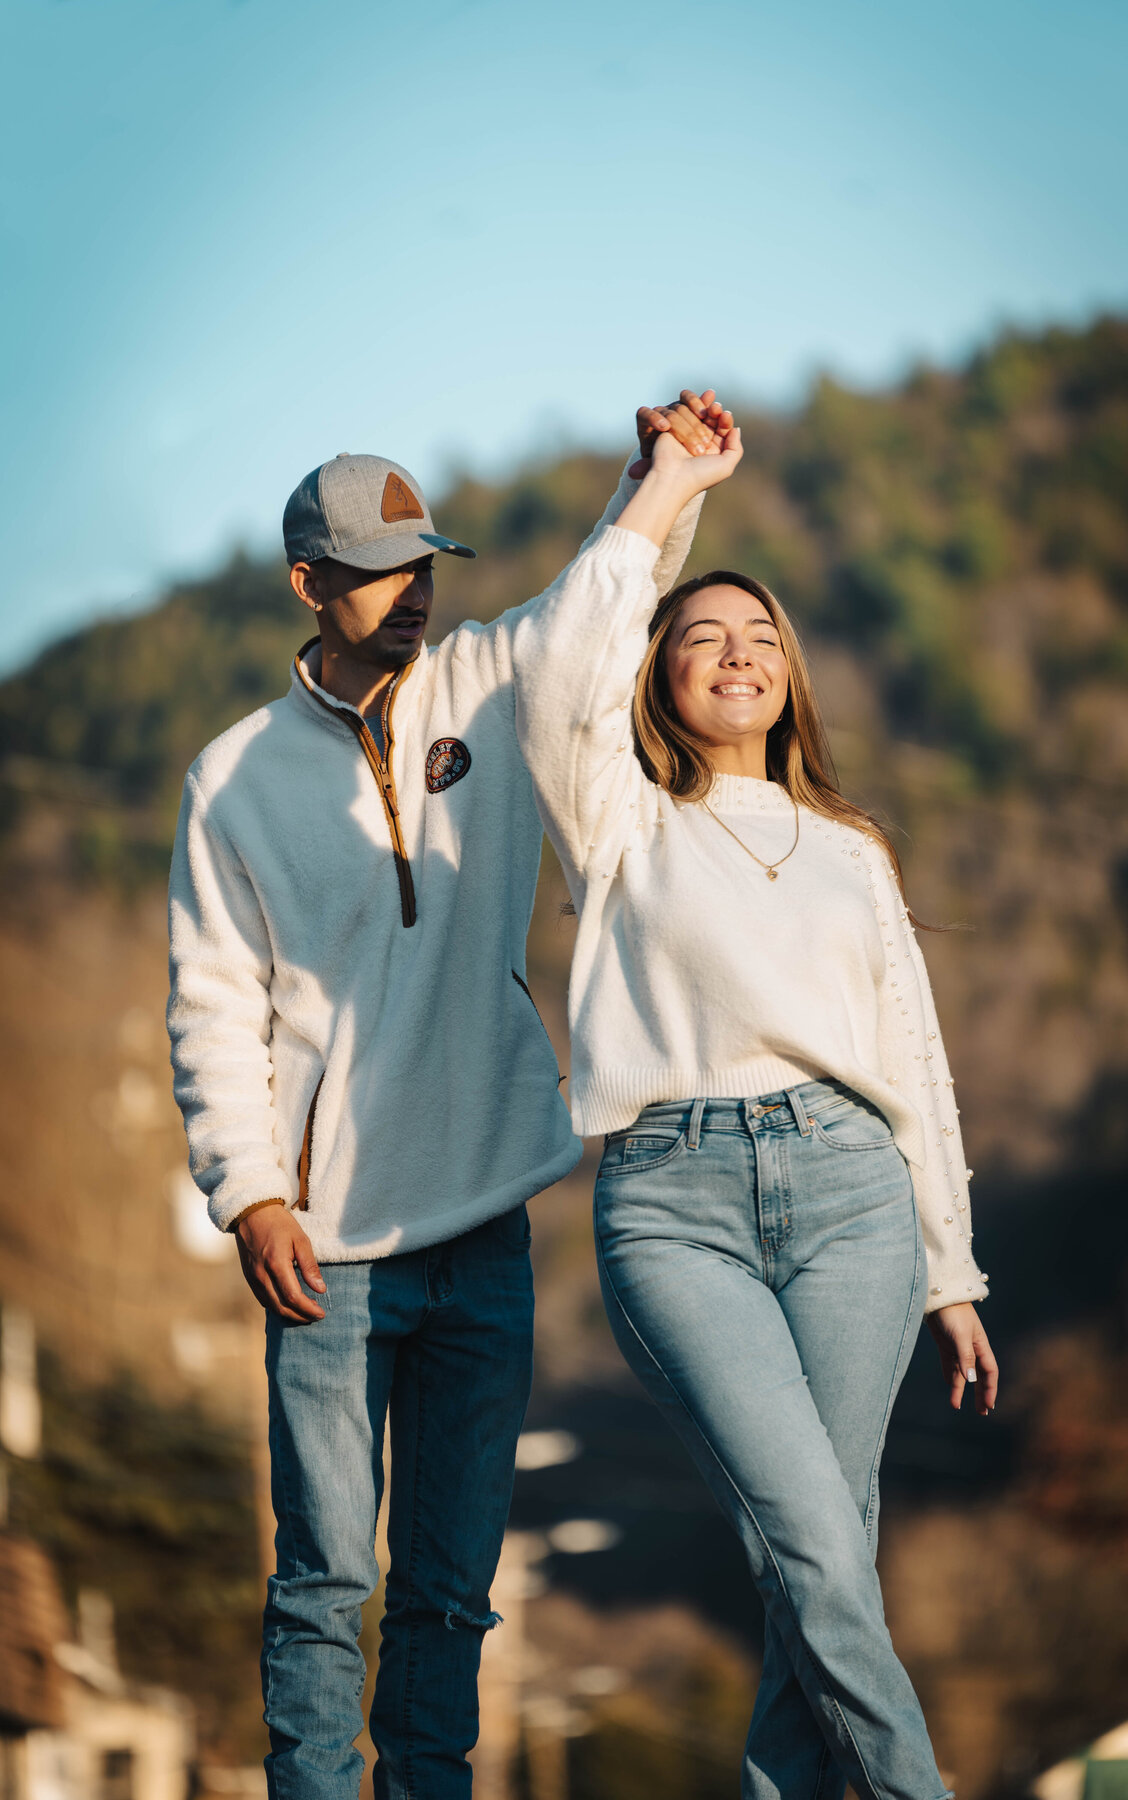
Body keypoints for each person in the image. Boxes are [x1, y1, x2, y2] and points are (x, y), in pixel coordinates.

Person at [164, 393, 729, 1800]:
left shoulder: (489, 679)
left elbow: (603, 609)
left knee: (450, 1590)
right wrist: (250, 1197)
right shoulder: (229, 780)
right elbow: (214, 1004)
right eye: (378, 572)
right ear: (310, 585)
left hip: (484, 1227)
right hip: (331, 1250)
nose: (413, 594)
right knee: (323, 1580)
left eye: (425, 565)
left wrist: (664, 481)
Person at [512, 416, 999, 1800]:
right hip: (676, 1205)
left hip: (855, 1197)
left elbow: (916, 1067)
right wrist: (667, 492)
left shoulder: (851, 852)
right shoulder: (616, 820)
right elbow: (559, 673)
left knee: (817, 1553)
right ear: (657, 677)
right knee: (821, 1547)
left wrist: (949, 1269)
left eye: (762, 639)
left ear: (793, 680)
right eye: (700, 636)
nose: (736, 653)